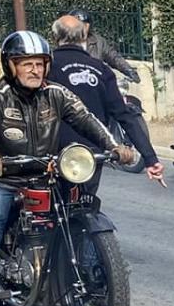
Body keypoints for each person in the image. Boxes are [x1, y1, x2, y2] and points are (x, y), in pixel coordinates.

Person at [0, 30, 131, 306]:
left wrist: (116, 146)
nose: (35, 70)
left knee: (81, 207)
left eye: (40, 63)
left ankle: (84, 280)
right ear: (11, 66)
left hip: (48, 173)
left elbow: (87, 119)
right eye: (26, 64)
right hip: (4, 177)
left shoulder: (57, 94)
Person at [49, 14, 163, 183]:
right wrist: (150, 159)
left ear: (55, 37)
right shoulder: (101, 69)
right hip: (91, 154)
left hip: (55, 150)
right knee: (88, 202)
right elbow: (124, 115)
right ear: (83, 36)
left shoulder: (46, 66)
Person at [72, 8, 140, 86]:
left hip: (96, 81)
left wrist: (129, 70)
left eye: (86, 24)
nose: (83, 27)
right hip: (72, 83)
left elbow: (114, 57)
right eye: (78, 24)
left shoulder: (98, 42)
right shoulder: (64, 41)